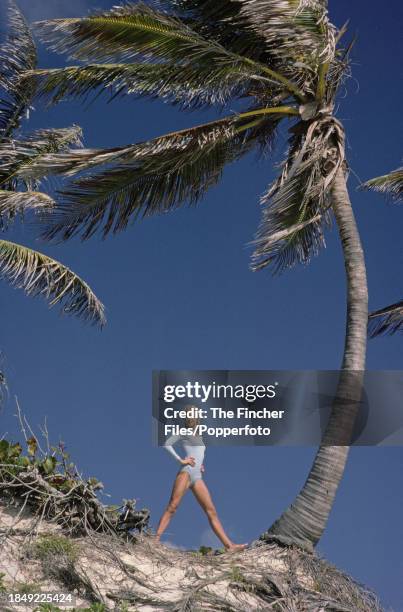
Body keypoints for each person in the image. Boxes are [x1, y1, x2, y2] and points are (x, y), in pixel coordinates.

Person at [156, 406, 247, 551]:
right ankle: (155, 540)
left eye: (193, 414)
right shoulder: (183, 431)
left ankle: (230, 546)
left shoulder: (200, 436)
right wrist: (180, 460)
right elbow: (166, 443)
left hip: (197, 477)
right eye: (188, 414)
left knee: (211, 511)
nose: (191, 417)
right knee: (173, 506)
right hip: (186, 472)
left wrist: (200, 465)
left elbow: (198, 454)